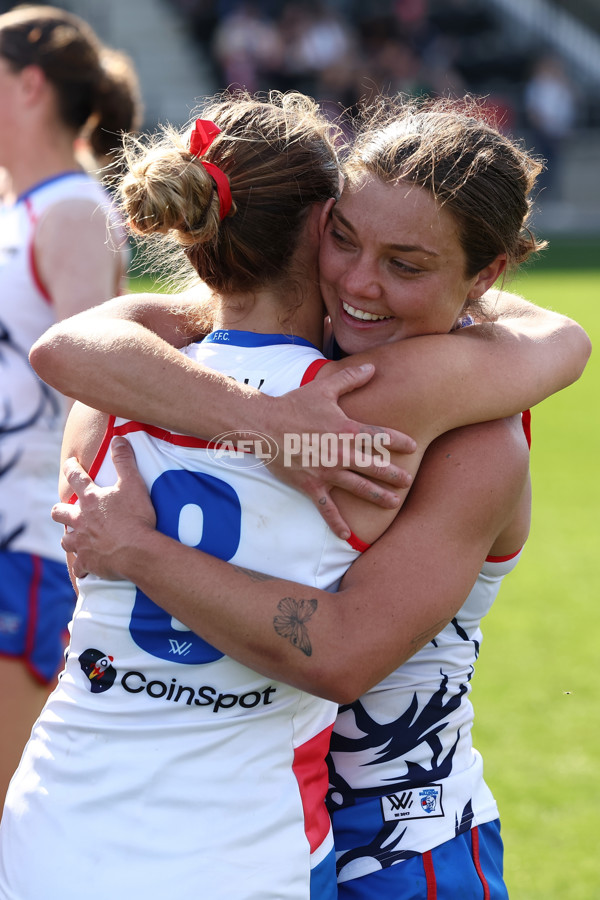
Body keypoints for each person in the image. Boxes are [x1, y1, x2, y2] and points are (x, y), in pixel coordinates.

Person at [3, 93, 590, 900]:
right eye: (344, 240)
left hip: (391, 839)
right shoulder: (368, 395)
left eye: (405, 264)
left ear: (485, 277)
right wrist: (268, 427)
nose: (359, 282)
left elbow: (75, 346)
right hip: (266, 822)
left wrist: (141, 545)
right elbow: (562, 340)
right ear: (314, 228)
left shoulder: (471, 434)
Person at [0, 4, 142, 805]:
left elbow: (91, 380)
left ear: (27, 84)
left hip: (22, 544)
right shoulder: (16, 206)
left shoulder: (71, 213)